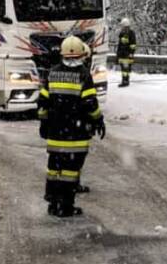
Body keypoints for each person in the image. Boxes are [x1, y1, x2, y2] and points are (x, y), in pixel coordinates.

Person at [38, 34, 103, 218]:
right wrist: (98, 120)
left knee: (54, 167)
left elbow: (43, 102)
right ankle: (66, 205)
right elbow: (90, 103)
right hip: (76, 134)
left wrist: (44, 123)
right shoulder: (83, 75)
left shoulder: (52, 73)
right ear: (82, 54)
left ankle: (52, 201)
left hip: (55, 133)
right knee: (70, 170)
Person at [115, 17, 137, 87]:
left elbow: (133, 44)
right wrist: (118, 54)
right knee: (123, 69)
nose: (122, 27)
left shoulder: (131, 33)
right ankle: (124, 80)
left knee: (126, 69)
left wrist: (131, 53)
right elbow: (120, 44)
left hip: (127, 54)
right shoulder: (122, 33)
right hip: (122, 54)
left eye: (123, 26)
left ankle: (125, 81)